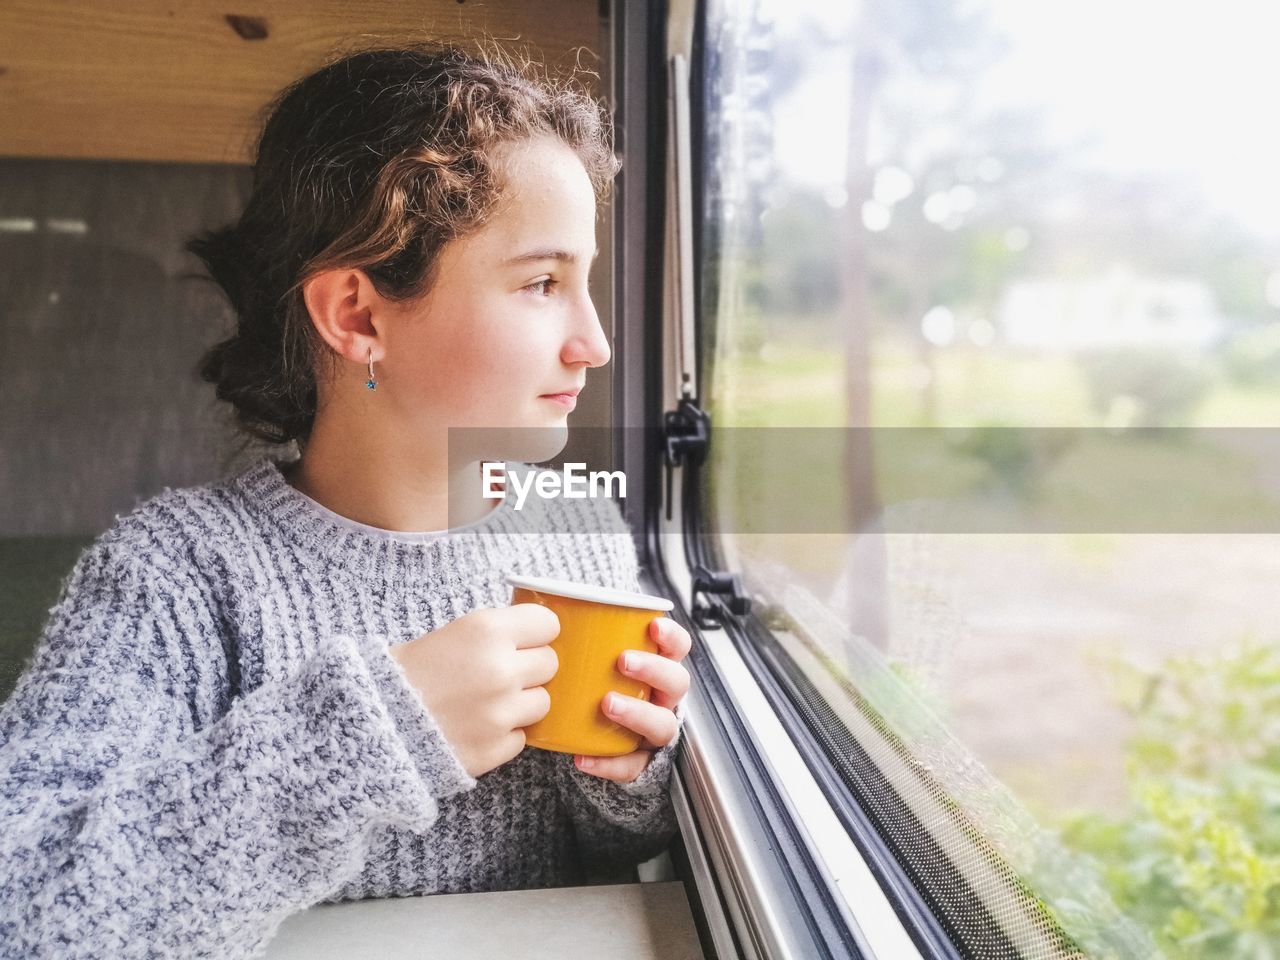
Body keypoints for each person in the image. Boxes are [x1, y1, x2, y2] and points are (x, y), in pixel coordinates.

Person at [0, 46, 692, 959]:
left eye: (584, 281)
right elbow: (27, 912)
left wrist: (627, 778)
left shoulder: (578, 529)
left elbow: (615, 853)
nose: (594, 343)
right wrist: (378, 735)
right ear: (358, 316)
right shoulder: (175, 578)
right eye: (540, 284)